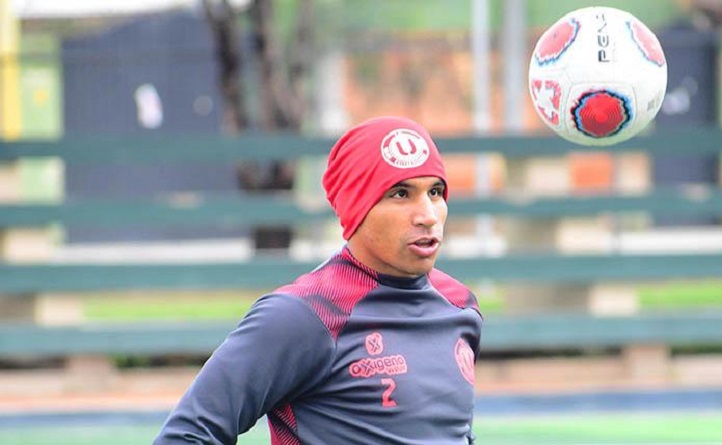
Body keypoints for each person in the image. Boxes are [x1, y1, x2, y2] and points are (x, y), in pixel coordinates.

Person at [154, 116, 483, 444]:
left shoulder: (459, 305)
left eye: (435, 192)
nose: (428, 215)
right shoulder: (303, 315)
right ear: (358, 207)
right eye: (400, 193)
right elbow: (185, 436)